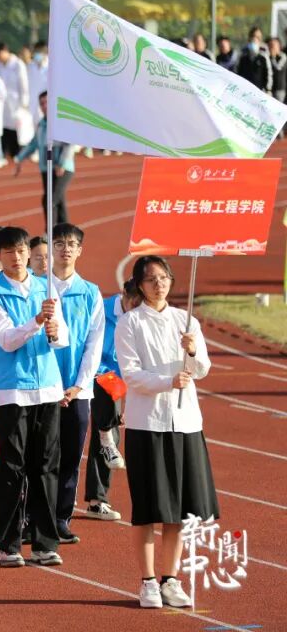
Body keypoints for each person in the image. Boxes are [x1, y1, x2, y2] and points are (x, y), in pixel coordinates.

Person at [116, 255, 218, 609]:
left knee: (180, 509)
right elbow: (131, 374)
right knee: (147, 507)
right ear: (139, 285)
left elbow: (202, 369)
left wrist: (193, 351)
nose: (158, 284)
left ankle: (170, 578)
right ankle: (147, 581)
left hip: (186, 423)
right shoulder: (130, 323)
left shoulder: (186, 321)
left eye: (163, 277)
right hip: (148, 424)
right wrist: (167, 381)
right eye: (150, 279)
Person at [0, 226, 69, 567]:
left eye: (21, 251)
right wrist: (37, 320)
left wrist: (55, 331)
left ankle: (45, 542)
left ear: (28, 253)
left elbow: (63, 339)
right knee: (12, 468)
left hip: (47, 388)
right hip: (12, 391)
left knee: (45, 467)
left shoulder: (47, 289)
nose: (16, 258)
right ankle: (7, 543)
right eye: (9, 252)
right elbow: (6, 340)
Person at [49, 223, 104, 545]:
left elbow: (94, 345)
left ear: (80, 250)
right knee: (41, 458)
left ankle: (61, 518)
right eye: (59, 243)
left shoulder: (91, 293)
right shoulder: (39, 289)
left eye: (71, 244)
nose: (65, 249)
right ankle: (34, 516)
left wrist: (80, 385)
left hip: (78, 391)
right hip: (42, 389)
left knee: (70, 458)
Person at [84, 280, 140, 522]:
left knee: (109, 438)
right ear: (124, 294)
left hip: (113, 384)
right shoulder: (102, 309)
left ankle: (97, 502)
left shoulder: (139, 320)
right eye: (134, 302)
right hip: (87, 373)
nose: (137, 307)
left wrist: (125, 401)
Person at [16, 92, 76, 226]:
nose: (44, 106)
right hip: (46, 168)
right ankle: (65, 231)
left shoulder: (62, 122)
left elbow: (69, 143)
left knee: (50, 200)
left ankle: (50, 232)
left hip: (62, 168)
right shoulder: (41, 125)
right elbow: (34, 143)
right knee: (59, 201)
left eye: (47, 102)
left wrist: (62, 163)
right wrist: (20, 158)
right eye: (42, 103)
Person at [0, 43, 29, 160]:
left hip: (16, 100)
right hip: (2, 100)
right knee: (3, 126)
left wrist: (24, 101)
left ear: (5, 51)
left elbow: (23, 84)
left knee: (15, 127)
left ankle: (16, 152)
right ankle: (4, 152)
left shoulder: (18, 64)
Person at [236, 27, 271, 92]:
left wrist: (267, 89)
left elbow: (268, 72)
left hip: (259, 89)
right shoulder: (243, 53)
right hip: (244, 89)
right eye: (253, 36)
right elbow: (237, 70)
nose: (255, 39)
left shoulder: (264, 53)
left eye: (258, 37)